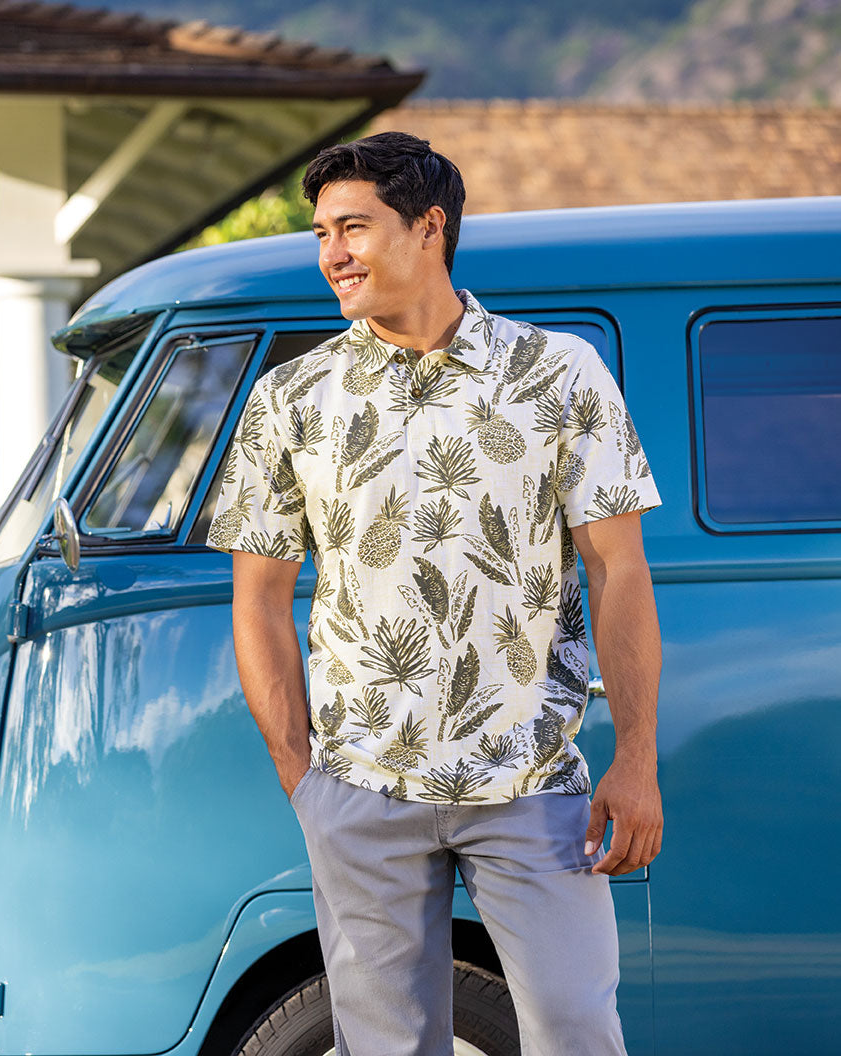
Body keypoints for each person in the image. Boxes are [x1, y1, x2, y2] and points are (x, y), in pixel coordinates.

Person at [208, 131, 663, 1056]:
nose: (333, 251)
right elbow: (257, 597)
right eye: (321, 231)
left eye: (354, 226)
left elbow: (620, 569)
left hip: (533, 781)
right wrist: (307, 782)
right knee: (386, 1047)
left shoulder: (559, 372)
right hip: (360, 787)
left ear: (429, 227)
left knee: (578, 1030)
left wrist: (637, 759)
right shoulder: (292, 399)